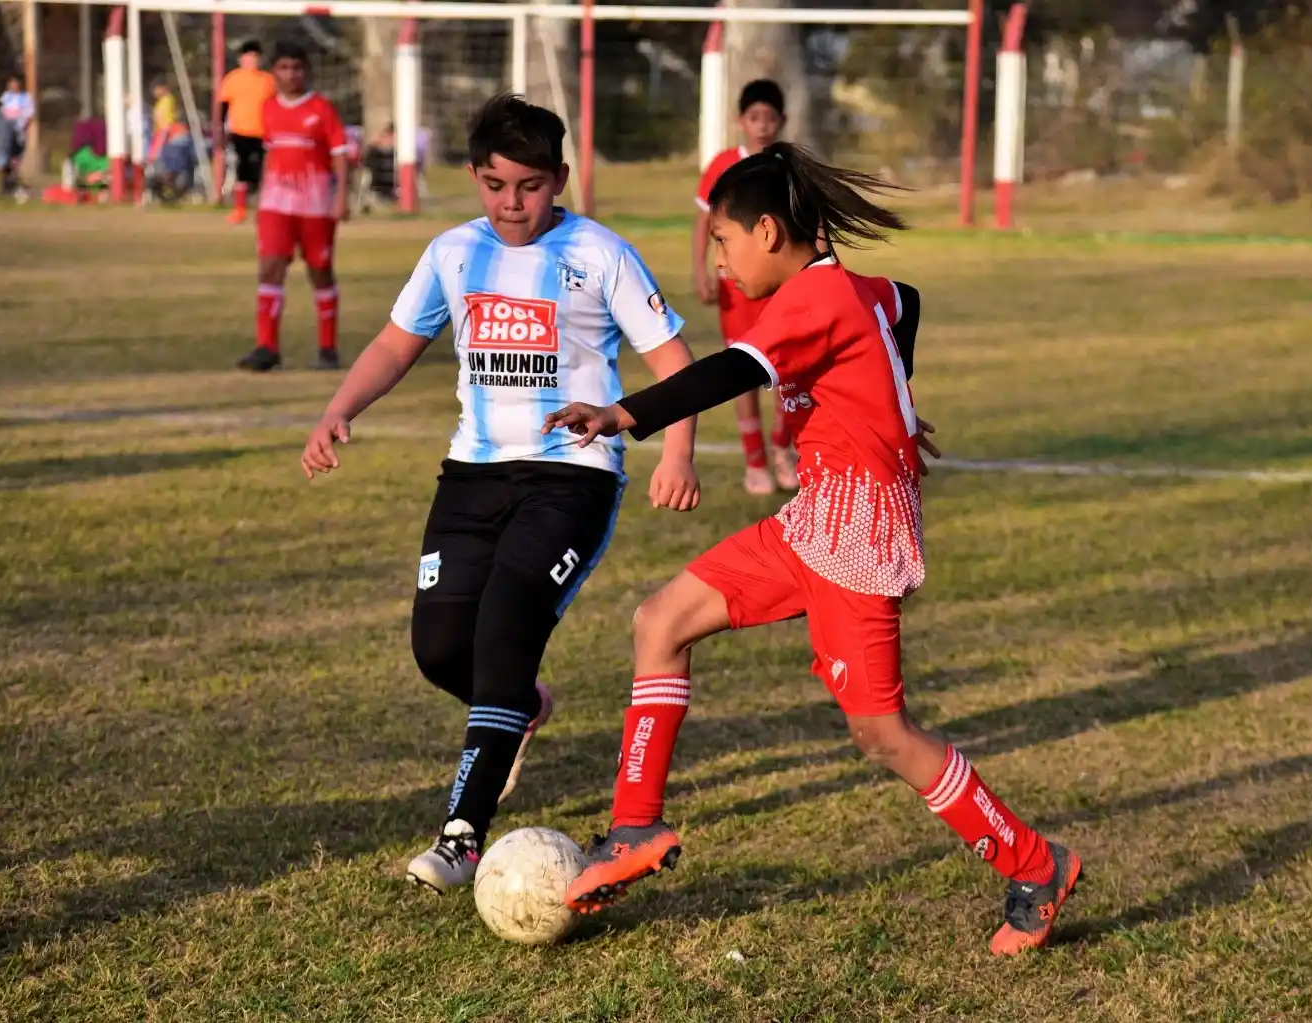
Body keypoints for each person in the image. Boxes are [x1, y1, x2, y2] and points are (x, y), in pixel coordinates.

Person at [545, 143, 1083, 957]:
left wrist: (624, 414)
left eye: (723, 242)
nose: (720, 262)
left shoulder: (812, 298)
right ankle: (633, 828)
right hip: (816, 518)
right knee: (660, 620)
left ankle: (1039, 864)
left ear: (767, 231)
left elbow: (728, 370)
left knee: (884, 734)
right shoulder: (854, 289)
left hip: (859, 532)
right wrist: (892, 400)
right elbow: (905, 302)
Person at [299, 93, 702, 895]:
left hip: (572, 475)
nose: (511, 204)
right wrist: (339, 409)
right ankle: (518, 705)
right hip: (471, 474)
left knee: (507, 626)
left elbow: (676, 359)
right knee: (442, 649)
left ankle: (460, 837)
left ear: (559, 178)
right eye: (493, 185)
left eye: (528, 185)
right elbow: (395, 342)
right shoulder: (453, 252)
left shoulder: (601, 253)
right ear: (475, 179)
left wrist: (677, 454)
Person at [694, 79, 796, 496]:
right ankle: (755, 460)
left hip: (780, 284)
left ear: (782, 121)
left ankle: (783, 450)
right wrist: (699, 269)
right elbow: (703, 220)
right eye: (754, 117)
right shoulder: (722, 165)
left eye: (770, 117)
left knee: (787, 369)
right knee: (745, 372)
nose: (762, 125)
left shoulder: (787, 165)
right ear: (741, 121)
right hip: (736, 287)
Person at [236, 41, 349, 372]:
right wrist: (259, 197)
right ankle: (266, 347)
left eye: (297, 68)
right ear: (274, 73)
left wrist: (341, 196)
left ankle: (328, 349)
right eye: (284, 68)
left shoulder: (322, 109)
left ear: (306, 71)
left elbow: (340, 155)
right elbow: (271, 154)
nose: (291, 74)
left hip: (315, 205)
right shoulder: (268, 108)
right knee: (270, 267)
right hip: (275, 205)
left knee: (320, 271)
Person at [219, 40, 276, 225]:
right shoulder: (232, 79)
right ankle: (240, 210)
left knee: (261, 171)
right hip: (240, 131)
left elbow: (275, 106)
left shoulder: (267, 80)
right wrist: (221, 129)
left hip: (263, 132)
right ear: (241, 59)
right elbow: (224, 106)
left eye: (255, 57)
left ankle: (263, 209)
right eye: (248, 57)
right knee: (241, 169)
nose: (251, 61)